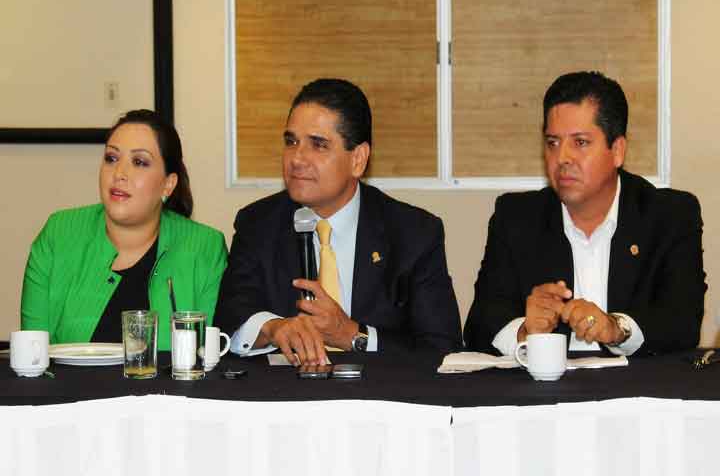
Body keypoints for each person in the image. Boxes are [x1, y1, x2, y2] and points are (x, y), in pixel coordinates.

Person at [215, 78, 462, 365]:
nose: (297, 159)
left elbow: (443, 350)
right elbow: (229, 321)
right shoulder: (258, 224)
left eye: (318, 145)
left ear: (358, 159)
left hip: (380, 392)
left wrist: (352, 335)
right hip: (284, 391)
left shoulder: (413, 234)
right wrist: (272, 328)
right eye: (291, 142)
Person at [464, 71, 706, 357]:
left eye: (580, 142)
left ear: (617, 150)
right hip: (547, 382)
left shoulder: (669, 216)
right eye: (553, 143)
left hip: (637, 382)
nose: (562, 158)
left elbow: (682, 322)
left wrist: (617, 329)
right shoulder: (516, 218)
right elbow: (479, 326)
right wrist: (525, 331)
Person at [21, 109, 228, 350]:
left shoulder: (205, 247)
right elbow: (32, 353)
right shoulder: (59, 233)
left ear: (168, 184)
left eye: (139, 162)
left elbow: (207, 354)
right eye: (111, 158)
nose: (119, 173)